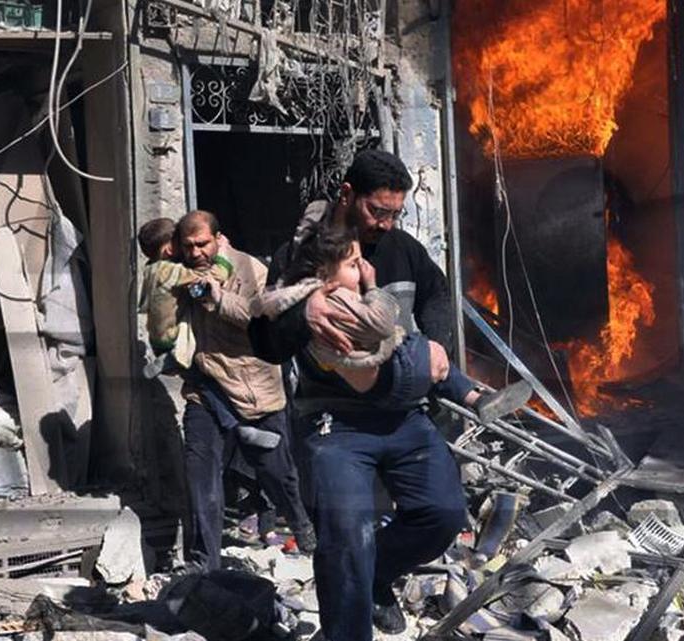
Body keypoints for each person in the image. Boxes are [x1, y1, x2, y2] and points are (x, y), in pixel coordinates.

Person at [248, 150, 468, 640]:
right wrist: (299, 317)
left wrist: (437, 342)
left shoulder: (404, 250)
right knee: (346, 536)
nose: (386, 224)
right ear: (348, 195)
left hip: (404, 418)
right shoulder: (300, 255)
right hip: (334, 424)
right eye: (377, 211)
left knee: (445, 513)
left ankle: (377, 575)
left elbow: (437, 294)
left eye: (395, 213)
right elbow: (262, 341)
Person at [255, 223, 527, 418]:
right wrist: (374, 288)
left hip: (371, 375)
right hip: (384, 371)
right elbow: (382, 322)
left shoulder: (309, 297)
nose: (363, 270)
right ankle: (475, 399)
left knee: (434, 359)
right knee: (431, 353)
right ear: (326, 273)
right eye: (354, 265)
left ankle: (476, 399)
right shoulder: (337, 299)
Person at [176, 210, 316, 570]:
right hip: (206, 390)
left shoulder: (250, 269)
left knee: (277, 474)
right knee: (200, 477)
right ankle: (203, 565)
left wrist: (218, 297)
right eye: (188, 246)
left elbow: (260, 319)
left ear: (218, 239)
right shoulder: (183, 271)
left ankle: (302, 528)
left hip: (255, 392)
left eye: (201, 244)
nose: (195, 253)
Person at [137, 218, 281, 450]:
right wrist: (222, 250)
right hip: (176, 342)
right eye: (182, 243)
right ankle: (238, 427)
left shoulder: (151, 269)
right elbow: (215, 278)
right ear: (169, 249)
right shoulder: (170, 271)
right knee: (206, 384)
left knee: (203, 384)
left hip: (162, 339)